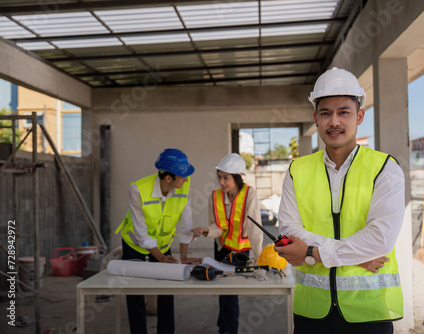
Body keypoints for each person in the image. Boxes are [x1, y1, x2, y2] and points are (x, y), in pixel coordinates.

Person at [275, 67, 405, 333]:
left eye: (343, 112)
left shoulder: (384, 168)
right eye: (326, 113)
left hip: (368, 312)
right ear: (316, 118)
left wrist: (313, 252)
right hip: (312, 311)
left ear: (359, 116)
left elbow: (380, 239)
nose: (334, 121)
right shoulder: (297, 170)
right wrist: (354, 256)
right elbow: (289, 229)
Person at [115, 148, 202, 334]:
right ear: (168, 178)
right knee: (135, 292)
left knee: (166, 289)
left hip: (163, 246)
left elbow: (186, 225)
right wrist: (161, 258)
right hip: (134, 245)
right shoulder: (138, 189)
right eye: (182, 176)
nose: (186, 179)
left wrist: (184, 256)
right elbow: (141, 234)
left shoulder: (184, 188)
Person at [193, 153, 264, 334]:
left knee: (231, 294)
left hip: (241, 252)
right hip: (221, 249)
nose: (221, 182)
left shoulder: (249, 193)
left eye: (226, 178)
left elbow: (255, 228)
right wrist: (206, 231)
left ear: (237, 178)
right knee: (223, 291)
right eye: (219, 177)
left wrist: (260, 258)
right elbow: (217, 226)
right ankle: (222, 326)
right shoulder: (214, 196)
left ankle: (228, 330)